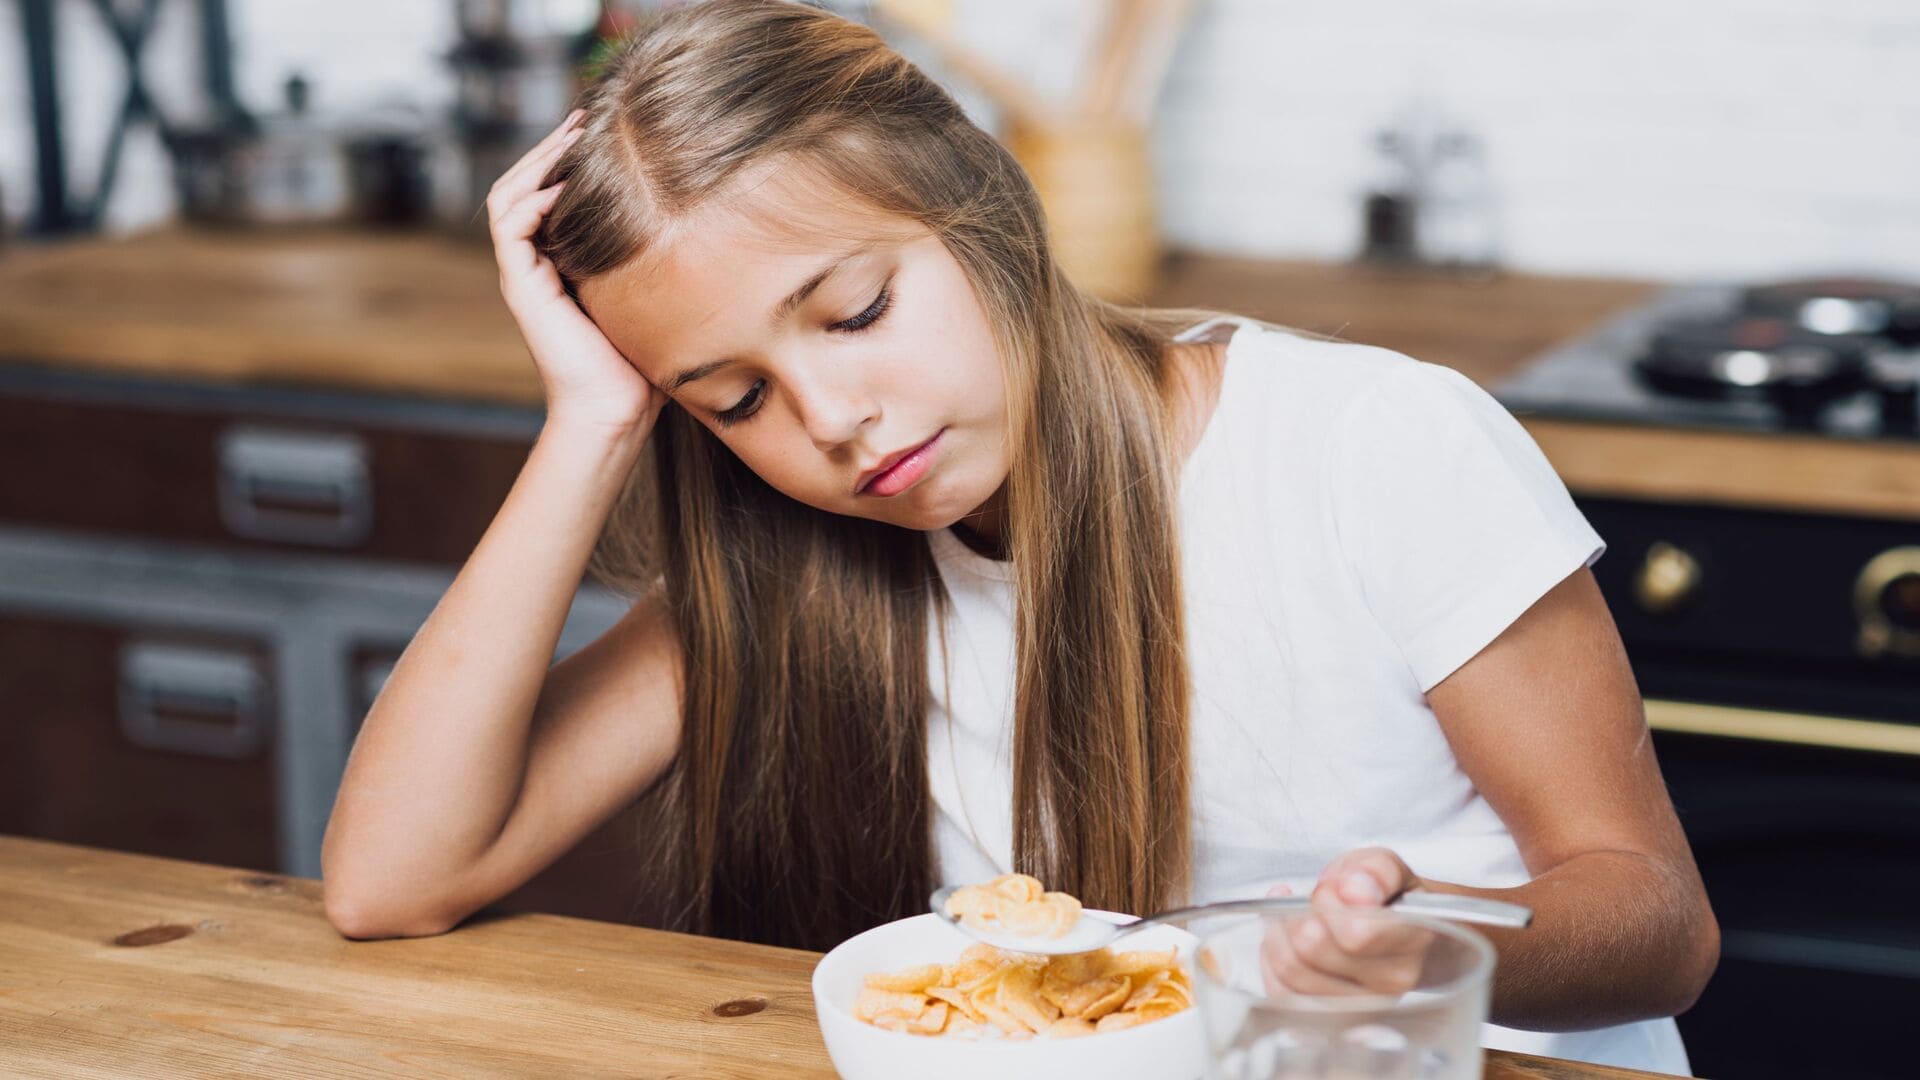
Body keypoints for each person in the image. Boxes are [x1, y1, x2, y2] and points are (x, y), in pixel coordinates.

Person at [320, 1, 1715, 1072]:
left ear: (985, 207)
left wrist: (1416, 950)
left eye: (856, 311)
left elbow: (1659, 924)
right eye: (733, 396)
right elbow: (394, 878)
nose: (834, 421)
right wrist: (589, 425)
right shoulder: (782, 564)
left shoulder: (1374, 448)